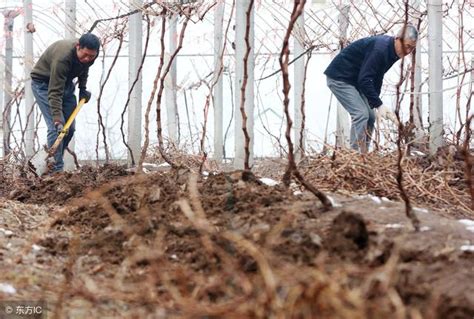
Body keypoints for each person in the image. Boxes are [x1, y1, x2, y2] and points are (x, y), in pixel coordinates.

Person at [324, 24, 418, 153]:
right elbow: (365, 79)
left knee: (371, 116)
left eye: (412, 48)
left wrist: (374, 103)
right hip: (340, 78)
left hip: (355, 80)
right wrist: (378, 104)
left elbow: (377, 76)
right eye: (407, 46)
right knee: (361, 114)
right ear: (398, 39)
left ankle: (364, 154)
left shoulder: (394, 51)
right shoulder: (380, 49)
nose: (408, 51)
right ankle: (354, 156)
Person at [31, 33, 100, 172]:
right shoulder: (63, 58)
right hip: (44, 84)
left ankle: (52, 159)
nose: (87, 59)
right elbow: (54, 91)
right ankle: (55, 170)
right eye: (85, 55)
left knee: (70, 128)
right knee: (56, 127)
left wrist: (82, 89)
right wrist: (56, 118)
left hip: (66, 83)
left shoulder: (90, 55)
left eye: (91, 56)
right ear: (78, 47)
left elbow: (84, 69)